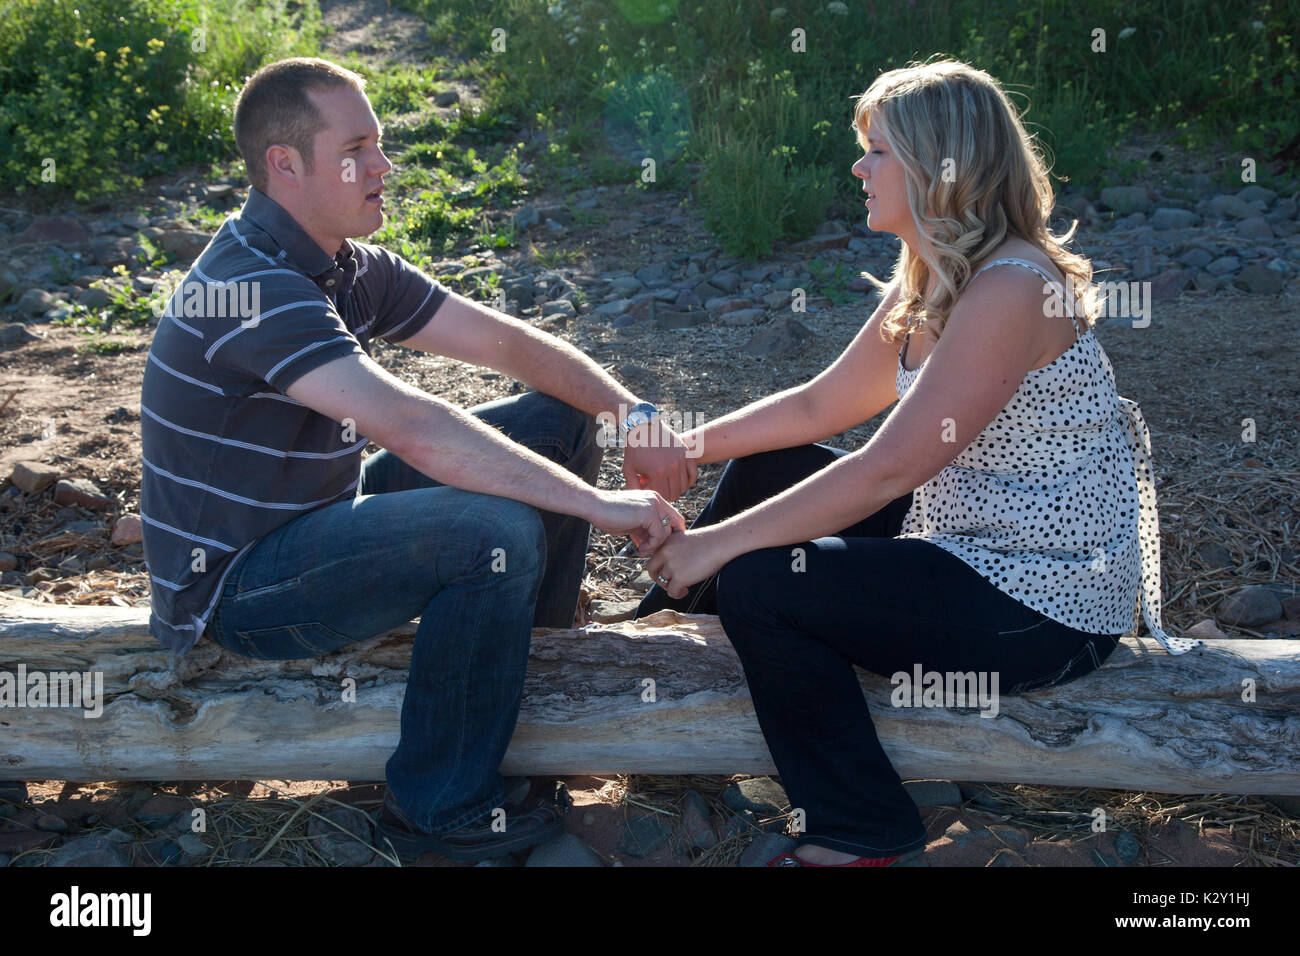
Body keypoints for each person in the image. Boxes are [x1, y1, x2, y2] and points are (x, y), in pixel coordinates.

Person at [636, 58, 1202, 867]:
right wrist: (684, 445)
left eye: (879, 152)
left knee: (764, 583)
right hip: (964, 544)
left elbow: (888, 468)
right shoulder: (934, 276)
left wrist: (715, 546)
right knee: (774, 470)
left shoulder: (1010, 287)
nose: (860, 168)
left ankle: (859, 828)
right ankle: (653, 642)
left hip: (1041, 602)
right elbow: (817, 408)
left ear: (945, 168)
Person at [139, 57, 697, 862]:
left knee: (557, 422)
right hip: (241, 585)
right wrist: (601, 508)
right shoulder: (250, 285)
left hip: (320, 517)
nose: (383, 167)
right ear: (284, 165)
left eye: (381, 144)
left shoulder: (343, 265)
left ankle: (514, 697)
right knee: (489, 532)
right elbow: (411, 425)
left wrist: (630, 412)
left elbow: (507, 344)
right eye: (357, 148)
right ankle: (442, 811)